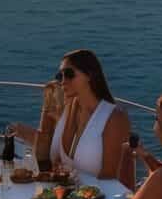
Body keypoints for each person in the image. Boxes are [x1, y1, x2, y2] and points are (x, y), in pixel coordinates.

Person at [12, 49, 131, 183]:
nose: (63, 81)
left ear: (89, 75)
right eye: (60, 76)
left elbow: (110, 178)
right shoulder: (67, 108)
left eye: (69, 74)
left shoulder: (114, 117)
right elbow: (56, 163)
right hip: (64, 197)